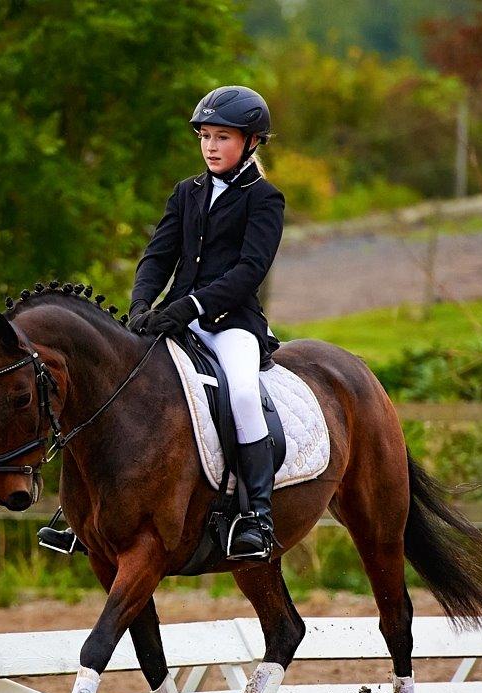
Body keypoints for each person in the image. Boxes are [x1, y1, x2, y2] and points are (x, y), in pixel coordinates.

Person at [128, 85, 285, 560]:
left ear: (251, 142)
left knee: (239, 391)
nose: (211, 147)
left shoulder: (265, 198)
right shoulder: (187, 192)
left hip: (231, 323)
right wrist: (140, 305)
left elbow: (248, 272)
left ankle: (257, 513)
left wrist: (190, 307)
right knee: (125, 381)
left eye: (223, 137)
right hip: (176, 318)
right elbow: (158, 256)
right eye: (205, 137)